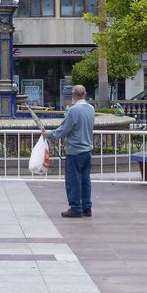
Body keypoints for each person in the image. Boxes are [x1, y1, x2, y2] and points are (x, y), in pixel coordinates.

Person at [50, 83, 95, 218]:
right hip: (87, 150)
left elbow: (64, 129)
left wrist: (49, 134)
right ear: (85, 94)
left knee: (73, 180)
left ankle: (76, 207)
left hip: (75, 150)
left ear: (73, 95)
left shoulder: (74, 110)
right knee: (85, 180)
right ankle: (87, 206)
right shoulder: (91, 109)